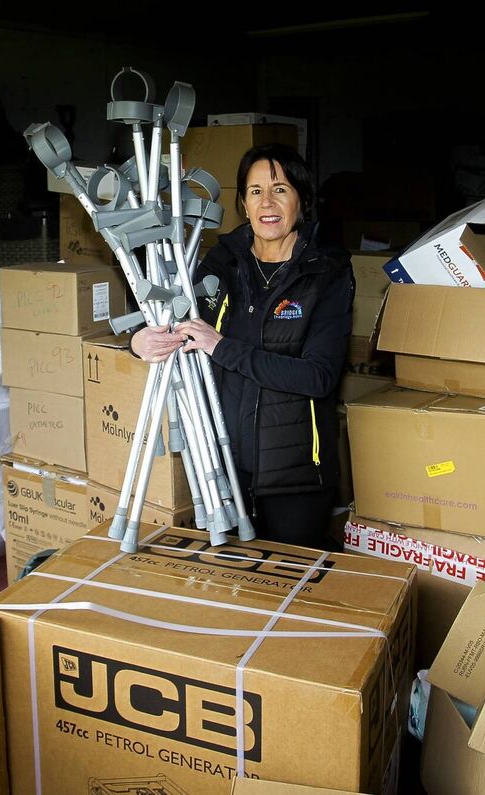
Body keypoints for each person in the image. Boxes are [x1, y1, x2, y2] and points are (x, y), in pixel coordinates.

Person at [131, 143, 353, 548]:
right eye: (255, 191)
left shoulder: (327, 274)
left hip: (297, 478)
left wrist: (222, 347)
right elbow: (169, 315)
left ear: (301, 200)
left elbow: (318, 376)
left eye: (280, 189)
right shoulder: (221, 263)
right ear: (243, 204)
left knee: (293, 594)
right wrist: (139, 340)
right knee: (234, 596)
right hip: (223, 469)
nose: (267, 202)